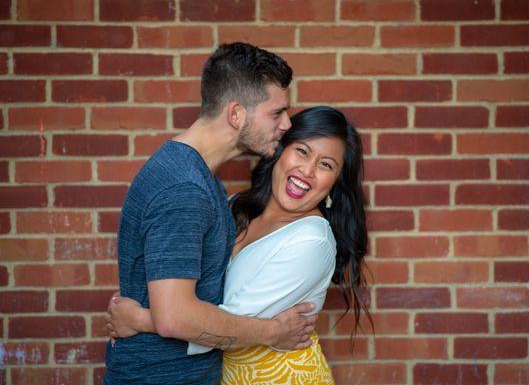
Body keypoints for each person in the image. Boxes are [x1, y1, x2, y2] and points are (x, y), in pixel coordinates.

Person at [103, 42, 319, 385]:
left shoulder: (199, 176)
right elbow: (175, 316)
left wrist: (140, 317)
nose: (286, 124)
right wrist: (272, 333)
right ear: (236, 114)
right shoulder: (184, 189)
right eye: (276, 113)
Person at [106, 106, 372, 384]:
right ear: (280, 150)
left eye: (326, 164)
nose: (307, 170)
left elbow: (234, 320)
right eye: (302, 151)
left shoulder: (312, 241)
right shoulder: (236, 206)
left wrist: (139, 319)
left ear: (335, 182)